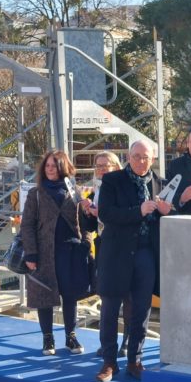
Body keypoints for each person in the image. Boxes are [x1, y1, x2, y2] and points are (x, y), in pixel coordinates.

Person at [95, 140, 172, 382]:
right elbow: (106, 214)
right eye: (136, 156)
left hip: (146, 253)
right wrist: (138, 211)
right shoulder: (112, 180)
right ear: (128, 157)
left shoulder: (160, 183)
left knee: (141, 310)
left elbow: (171, 216)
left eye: (145, 157)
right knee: (109, 309)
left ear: (153, 159)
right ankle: (109, 362)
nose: (141, 161)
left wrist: (169, 211)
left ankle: (134, 361)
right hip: (116, 253)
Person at [21, 150, 92, 356]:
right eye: (47, 165)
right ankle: (47, 338)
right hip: (45, 252)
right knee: (45, 294)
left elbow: (86, 221)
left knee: (70, 296)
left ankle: (71, 336)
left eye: (54, 165)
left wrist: (85, 243)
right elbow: (27, 225)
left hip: (71, 251)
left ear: (63, 167)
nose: (50, 169)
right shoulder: (36, 193)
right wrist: (31, 254)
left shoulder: (74, 191)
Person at [80, 151, 131, 358]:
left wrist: (101, 212)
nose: (101, 169)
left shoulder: (124, 190)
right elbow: (90, 227)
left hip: (125, 249)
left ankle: (127, 342)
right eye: (98, 165)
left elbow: (126, 216)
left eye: (105, 165)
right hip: (104, 249)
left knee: (129, 298)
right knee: (108, 299)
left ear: (116, 167)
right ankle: (107, 344)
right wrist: (85, 211)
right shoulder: (95, 193)